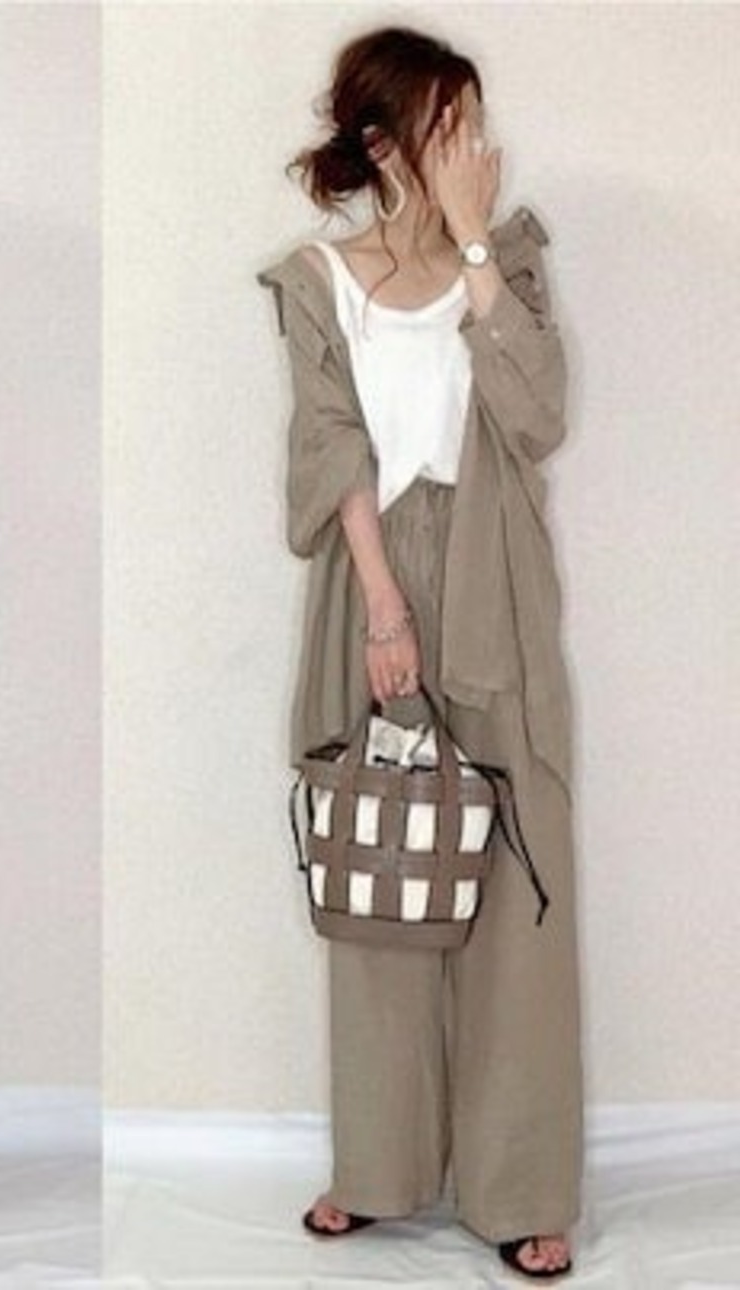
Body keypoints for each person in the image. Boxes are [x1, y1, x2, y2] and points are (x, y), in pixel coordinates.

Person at [259, 27, 583, 1283]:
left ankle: (520, 1187)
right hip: (373, 577)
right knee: (381, 861)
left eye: (473, 122)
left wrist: (476, 242)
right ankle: (380, 1167)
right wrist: (382, 603)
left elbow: (537, 413)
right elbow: (328, 442)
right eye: (449, 124)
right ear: (385, 140)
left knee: (515, 871)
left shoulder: (507, 260)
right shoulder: (318, 279)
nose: (472, 146)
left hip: (494, 575)